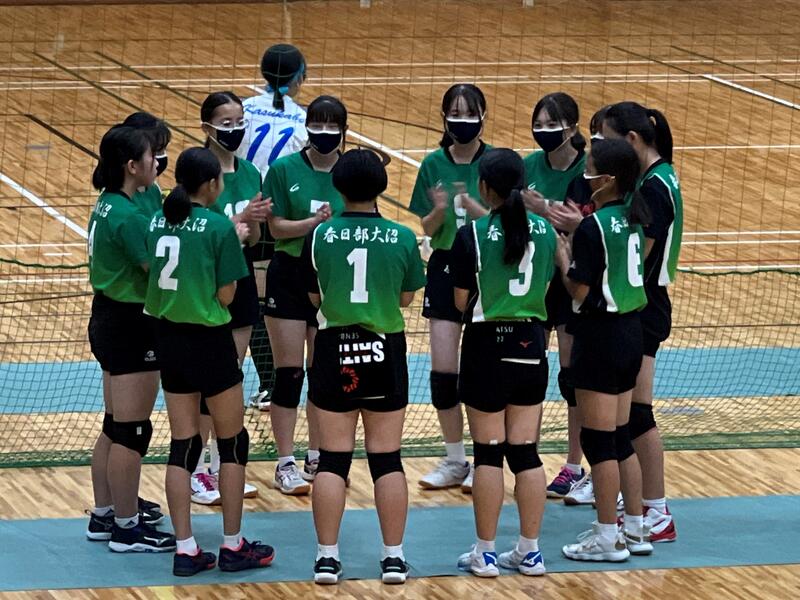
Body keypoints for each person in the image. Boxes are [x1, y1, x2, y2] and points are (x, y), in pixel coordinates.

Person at [145, 147, 275, 576]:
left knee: (183, 444)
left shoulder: (158, 220)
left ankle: (185, 549)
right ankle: (233, 544)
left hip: (169, 339)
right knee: (232, 441)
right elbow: (226, 295)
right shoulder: (219, 226)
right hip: (209, 340)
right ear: (212, 184)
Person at [303, 149, 426, 585]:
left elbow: (314, 296)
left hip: (334, 348)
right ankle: (393, 558)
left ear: (338, 187)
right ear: (381, 187)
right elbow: (406, 297)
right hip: (384, 348)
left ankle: (326, 558)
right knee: (387, 459)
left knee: (333, 460)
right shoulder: (403, 237)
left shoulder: (320, 235)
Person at [450, 149, 555, 578]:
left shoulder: (472, 234)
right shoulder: (546, 231)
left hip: (485, 347)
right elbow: (547, 285)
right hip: (531, 344)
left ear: (484, 187)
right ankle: (530, 552)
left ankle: (486, 553)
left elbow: (460, 299)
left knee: (488, 454)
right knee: (526, 452)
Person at [557, 139, 653, 562]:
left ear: (609, 179)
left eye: (591, 169)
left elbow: (579, 290)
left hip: (600, 336)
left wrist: (562, 257)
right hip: (631, 333)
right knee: (620, 436)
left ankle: (607, 537)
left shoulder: (593, 226)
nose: (586, 176)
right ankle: (636, 529)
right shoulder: (635, 217)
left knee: (599, 443)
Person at [85, 125, 175, 552]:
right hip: (130, 323)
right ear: (132, 166)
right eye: (151, 156)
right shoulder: (128, 217)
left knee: (115, 425)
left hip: (109, 316)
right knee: (131, 431)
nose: (158, 161)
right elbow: (156, 271)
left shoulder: (108, 203)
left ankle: (105, 515)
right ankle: (126, 527)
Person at [601, 101, 682, 543]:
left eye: (608, 141)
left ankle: (657, 510)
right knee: (633, 411)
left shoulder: (654, 187)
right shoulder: (659, 176)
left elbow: (637, 255)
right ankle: (643, 502)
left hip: (645, 307)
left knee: (637, 412)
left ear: (631, 141)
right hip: (644, 304)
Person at [263, 95, 348, 494]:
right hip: (289, 273)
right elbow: (276, 228)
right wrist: (313, 223)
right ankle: (285, 462)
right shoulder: (283, 170)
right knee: (289, 373)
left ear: (344, 130)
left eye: (333, 125)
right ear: (307, 126)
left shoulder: (349, 172)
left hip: (331, 275)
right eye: (318, 123)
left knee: (322, 372)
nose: (324, 132)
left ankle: (317, 454)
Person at [409, 83, 491, 493]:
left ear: (483, 117)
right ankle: (455, 459)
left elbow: (503, 221)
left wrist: (474, 208)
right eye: (455, 114)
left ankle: (485, 459)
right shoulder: (432, 164)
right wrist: (440, 209)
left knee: (481, 373)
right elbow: (426, 226)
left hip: (485, 269)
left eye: (469, 113)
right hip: (444, 266)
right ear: (443, 118)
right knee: (443, 373)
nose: (462, 121)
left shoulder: (494, 162)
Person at [189, 91, 270, 506]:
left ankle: (223, 466)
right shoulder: (196, 170)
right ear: (207, 127)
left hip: (240, 282)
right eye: (226, 123)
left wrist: (252, 225)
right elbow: (195, 229)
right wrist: (237, 220)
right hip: (204, 288)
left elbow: (253, 240)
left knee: (230, 378)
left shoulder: (251, 172)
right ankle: (196, 469)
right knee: (204, 383)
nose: (235, 129)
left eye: (240, 121)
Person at [521, 92, 588, 500]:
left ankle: (574, 465)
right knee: (529, 370)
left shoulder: (587, 171)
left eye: (552, 124)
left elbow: (577, 220)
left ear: (573, 128)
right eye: (539, 124)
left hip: (568, 278)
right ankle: (523, 456)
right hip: (531, 277)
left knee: (570, 377)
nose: (543, 131)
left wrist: (542, 207)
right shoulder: (528, 166)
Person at [237, 42, 308, 177]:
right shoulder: (304, 119)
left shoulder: (242, 108)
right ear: (299, 79)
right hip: (279, 188)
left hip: (241, 185)